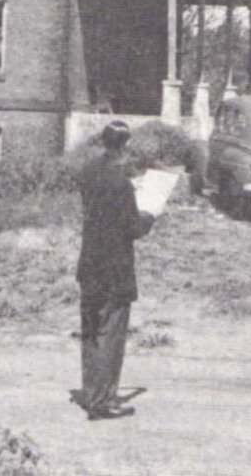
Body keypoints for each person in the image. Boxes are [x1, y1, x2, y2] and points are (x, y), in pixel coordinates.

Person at [74, 120, 154, 421]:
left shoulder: (88, 172)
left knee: (91, 331)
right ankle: (104, 402)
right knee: (112, 334)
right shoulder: (120, 183)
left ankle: (92, 394)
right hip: (115, 266)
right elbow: (133, 228)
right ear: (125, 145)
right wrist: (149, 216)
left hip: (89, 263)